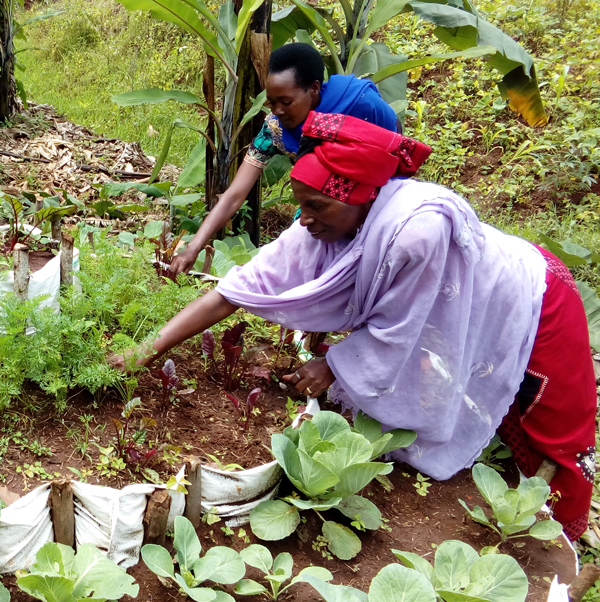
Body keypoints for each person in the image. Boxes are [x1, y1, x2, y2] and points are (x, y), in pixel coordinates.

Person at [111, 112, 596, 541]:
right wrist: (146, 350)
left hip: (531, 302)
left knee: (550, 429)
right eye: (300, 204)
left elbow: (397, 331)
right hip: (460, 301)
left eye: (317, 206)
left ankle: (559, 544)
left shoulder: (414, 233)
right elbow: (235, 291)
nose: (304, 220)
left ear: (362, 197)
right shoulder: (318, 225)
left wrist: (334, 365)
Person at [168, 43, 399, 279]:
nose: (277, 110)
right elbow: (235, 194)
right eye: (271, 103)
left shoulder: (360, 106)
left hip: (374, 208)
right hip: (320, 214)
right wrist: (194, 246)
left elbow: (397, 150)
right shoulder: (275, 129)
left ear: (314, 88)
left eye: (286, 102)